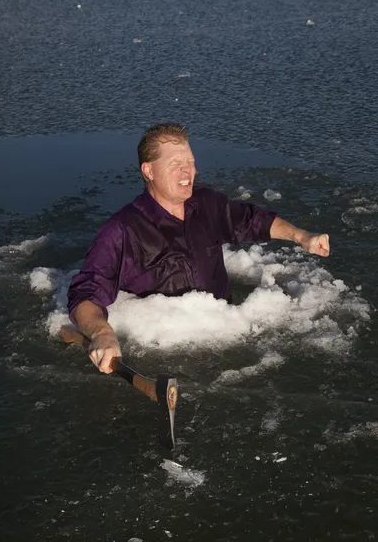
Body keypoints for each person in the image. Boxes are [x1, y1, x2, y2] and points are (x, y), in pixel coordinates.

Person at [68, 123, 330, 374]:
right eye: (176, 165)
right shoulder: (121, 230)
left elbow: (251, 220)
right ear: (148, 170)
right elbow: (86, 292)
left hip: (225, 336)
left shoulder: (207, 203)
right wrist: (103, 334)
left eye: (190, 163)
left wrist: (302, 236)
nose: (188, 172)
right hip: (163, 349)